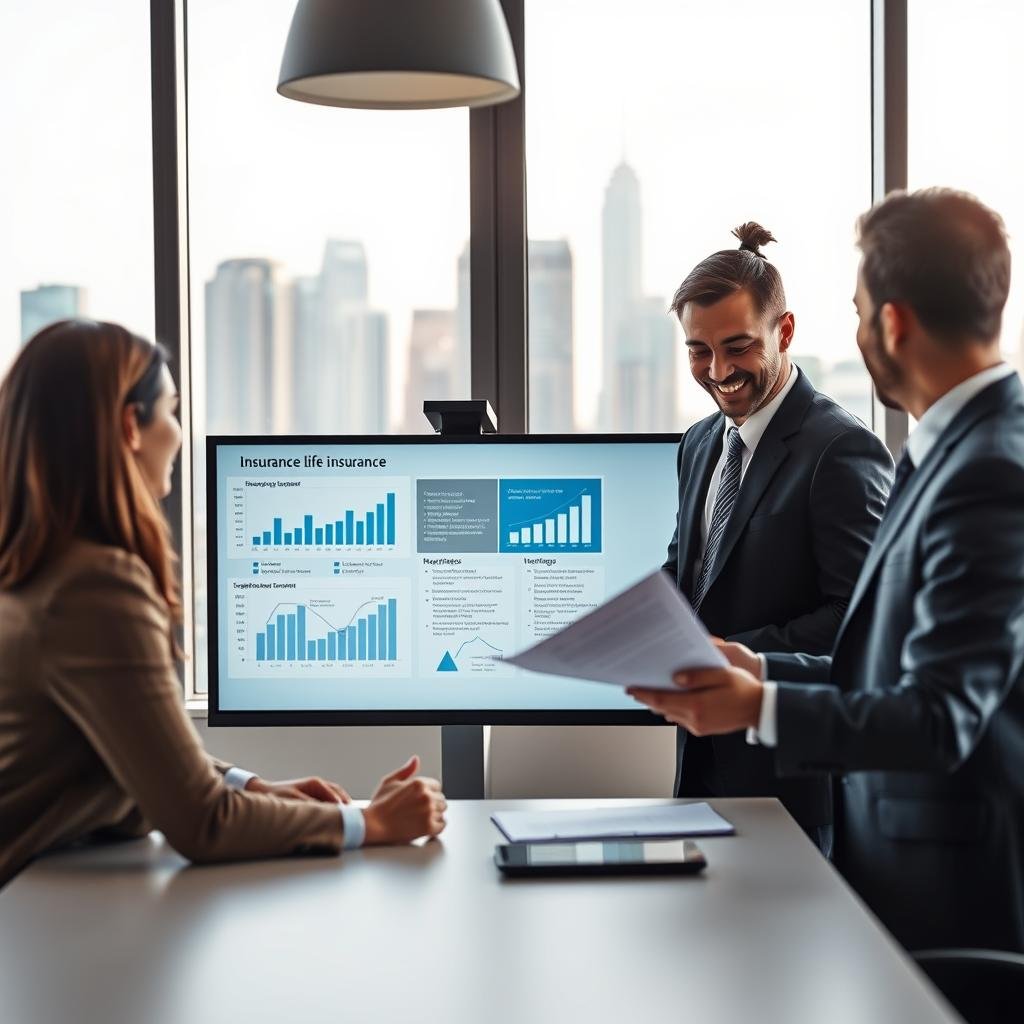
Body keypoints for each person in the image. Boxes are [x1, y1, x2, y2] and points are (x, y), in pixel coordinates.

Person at [631, 189, 1024, 952]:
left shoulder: (982, 467)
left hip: (947, 885)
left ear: (892, 322)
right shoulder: (946, 450)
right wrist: (758, 669)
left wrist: (760, 704)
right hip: (892, 861)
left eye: (858, 309)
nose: (717, 370)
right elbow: (880, 656)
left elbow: (938, 714)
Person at [0, 319, 446, 888]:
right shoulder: (94, 589)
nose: (180, 434)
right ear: (130, 426)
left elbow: (124, 735)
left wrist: (247, 787)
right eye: (171, 410)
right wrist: (371, 821)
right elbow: (203, 824)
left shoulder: (38, 567)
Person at [663, 222, 892, 849]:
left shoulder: (841, 450)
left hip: (794, 788)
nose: (719, 371)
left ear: (783, 332)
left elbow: (860, 623)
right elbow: (689, 571)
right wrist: (632, 624)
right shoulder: (700, 443)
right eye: (698, 351)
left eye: (738, 347)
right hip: (703, 771)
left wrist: (729, 653)